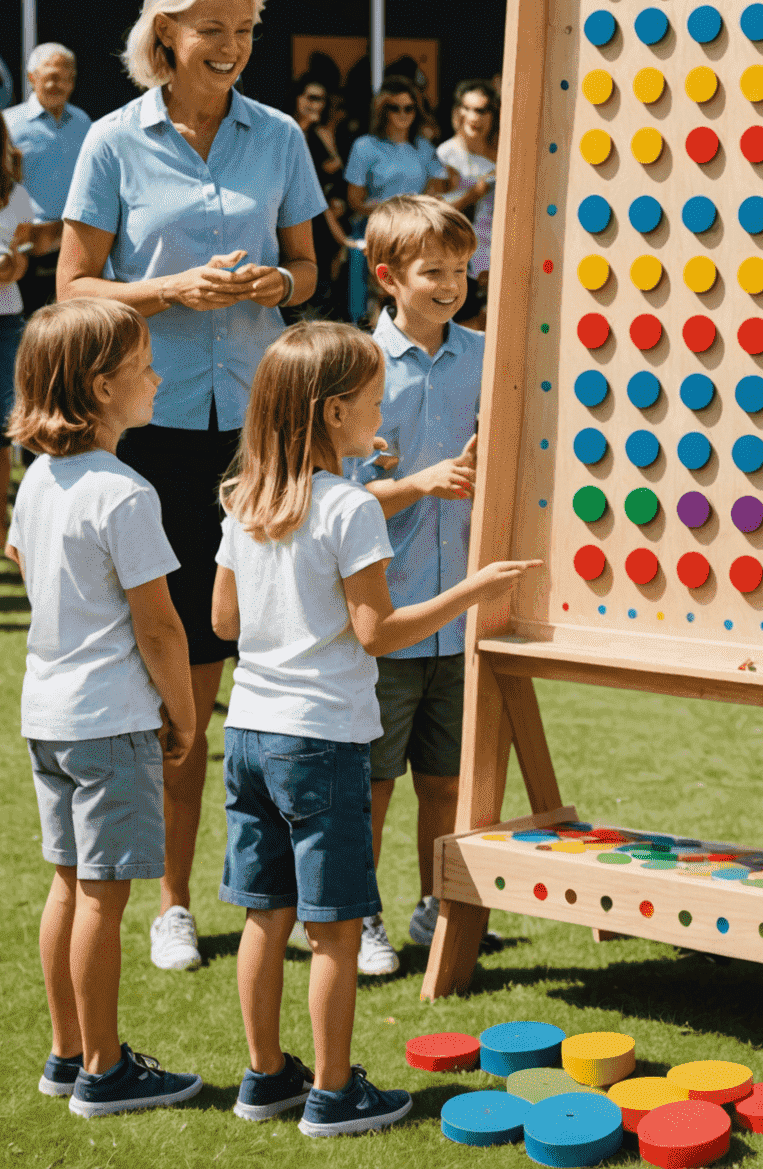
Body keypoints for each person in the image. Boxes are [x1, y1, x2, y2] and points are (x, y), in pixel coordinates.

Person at [58, 0, 326, 973]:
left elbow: (309, 270)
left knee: (293, 670)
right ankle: (173, 902)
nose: (232, 45)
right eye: (211, 26)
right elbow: (76, 287)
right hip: (158, 437)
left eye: (245, 27)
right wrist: (169, 293)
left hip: (265, 430)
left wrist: (275, 290)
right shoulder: (112, 144)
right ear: (163, 31)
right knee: (186, 686)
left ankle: (292, 894)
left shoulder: (281, 137)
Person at [212, 322, 538, 1135]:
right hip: (320, 741)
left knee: (265, 913)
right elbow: (378, 633)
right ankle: (332, 1092)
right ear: (330, 415)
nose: (382, 412)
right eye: (371, 400)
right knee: (335, 930)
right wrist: (475, 591)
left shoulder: (245, 499)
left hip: (249, 731)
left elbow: (224, 619)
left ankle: (265, 1080)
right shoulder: (350, 506)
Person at [5, 299, 203, 1117]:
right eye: (145, 363)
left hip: (48, 713)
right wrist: (185, 714)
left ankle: (67, 1055)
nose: (159, 375)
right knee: (101, 897)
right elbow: (159, 623)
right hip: (108, 718)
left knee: (67, 887)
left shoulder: (39, 480)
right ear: (98, 385)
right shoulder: (124, 492)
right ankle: (104, 1069)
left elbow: (22, 561)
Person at [339, 197, 484, 974]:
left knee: (446, 779)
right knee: (373, 784)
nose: (453, 284)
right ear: (390, 277)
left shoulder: (488, 356)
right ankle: (359, 918)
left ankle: (438, 909)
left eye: (462, 270)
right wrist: (418, 483)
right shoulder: (355, 366)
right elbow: (330, 499)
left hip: (463, 617)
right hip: (384, 619)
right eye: (436, 271)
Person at [0, 95, 39, 541]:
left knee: (1, 424)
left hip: (3, 318)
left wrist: (7, 269)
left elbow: (21, 259)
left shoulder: (13, 193)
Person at [343, 82, 447, 321]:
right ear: (383, 110)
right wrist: (395, 209)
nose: (402, 114)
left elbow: (439, 187)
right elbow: (354, 200)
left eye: (409, 108)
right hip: (377, 230)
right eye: (395, 108)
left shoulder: (423, 147)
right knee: (373, 304)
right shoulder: (365, 146)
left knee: (410, 300)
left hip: (416, 233)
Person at [4, 43, 92, 317]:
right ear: (32, 77)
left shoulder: (83, 122)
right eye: (51, 76)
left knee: (68, 326)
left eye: (67, 78)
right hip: (26, 245)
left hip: (73, 239)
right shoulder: (9, 124)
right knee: (28, 329)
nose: (59, 84)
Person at [436, 79, 499, 327]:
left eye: (481, 110)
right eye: (468, 108)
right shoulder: (445, 154)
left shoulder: (506, 152)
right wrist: (475, 193)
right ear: (457, 112)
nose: (474, 116)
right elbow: (435, 210)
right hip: (461, 257)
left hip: (499, 254)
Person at [292, 75, 350, 320]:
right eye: (311, 98)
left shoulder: (320, 134)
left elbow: (334, 179)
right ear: (297, 98)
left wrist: (339, 200)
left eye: (322, 100)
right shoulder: (283, 132)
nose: (317, 105)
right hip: (292, 223)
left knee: (323, 298)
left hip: (322, 227)